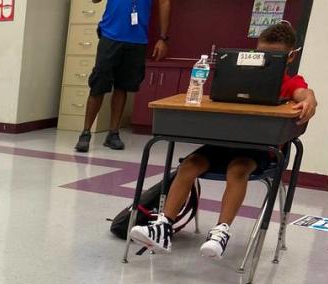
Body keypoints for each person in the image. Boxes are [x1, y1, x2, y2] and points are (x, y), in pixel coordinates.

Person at [130, 21, 317, 259]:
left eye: (274, 56)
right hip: (224, 142)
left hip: (261, 149)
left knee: (237, 169)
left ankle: (220, 232)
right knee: (188, 166)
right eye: (261, 54)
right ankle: (163, 226)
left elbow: (304, 94)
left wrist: (309, 98)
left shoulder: (290, 83)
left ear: (289, 57)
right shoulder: (239, 76)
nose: (265, 60)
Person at [75, 0, 171, 153]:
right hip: (110, 35)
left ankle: (113, 133)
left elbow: (164, 3)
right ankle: (85, 133)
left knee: (122, 87)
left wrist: (163, 38)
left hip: (137, 39)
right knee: (98, 85)